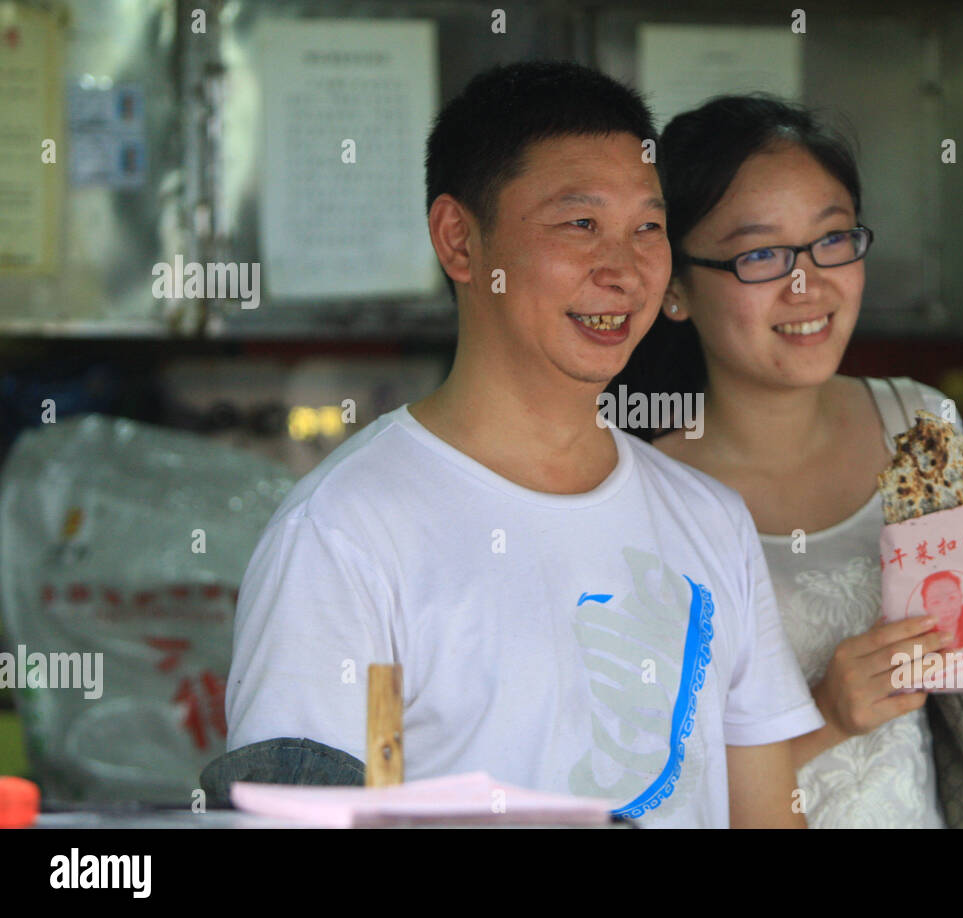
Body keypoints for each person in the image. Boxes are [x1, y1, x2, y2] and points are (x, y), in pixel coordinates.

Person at [203, 61, 825, 829]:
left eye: (648, 228)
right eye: (579, 224)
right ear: (459, 241)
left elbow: (766, 816)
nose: (624, 269)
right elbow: (295, 822)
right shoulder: (343, 536)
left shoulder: (710, 520)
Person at [613, 94, 963, 828]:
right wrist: (827, 714)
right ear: (674, 284)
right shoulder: (638, 498)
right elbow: (634, 790)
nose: (809, 285)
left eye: (832, 240)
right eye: (760, 254)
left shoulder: (920, 426)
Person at [919, 571, 963, 650]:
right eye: (936, 602)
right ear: (925, 607)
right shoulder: (916, 639)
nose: (946, 608)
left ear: (961, 598)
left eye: (952, 598)